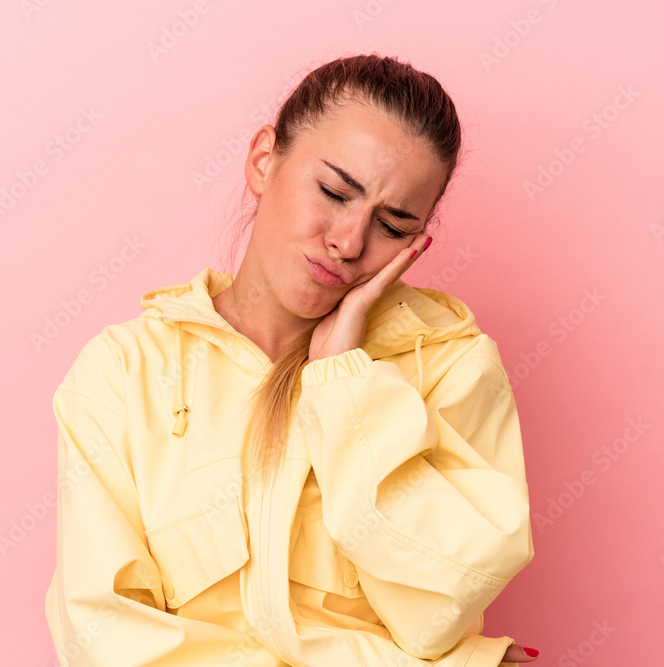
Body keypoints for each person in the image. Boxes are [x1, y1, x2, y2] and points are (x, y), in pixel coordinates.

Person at [45, 53, 538, 666]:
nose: (350, 242)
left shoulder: (448, 366)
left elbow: (437, 610)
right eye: (334, 192)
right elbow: (105, 639)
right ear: (262, 161)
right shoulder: (124, 374)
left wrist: (343, 384)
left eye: (393, 225)